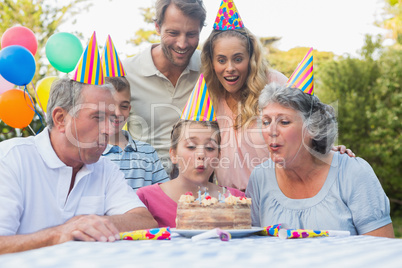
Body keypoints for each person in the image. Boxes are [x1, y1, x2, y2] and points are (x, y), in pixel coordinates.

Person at [201, 8, 354, 191]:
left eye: (238, 59)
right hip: (231, 202)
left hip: (277, 195)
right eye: (221, 60)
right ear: (212, 62)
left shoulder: (275, 84)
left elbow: (308, 128)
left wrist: (329, 152)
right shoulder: (209, 96)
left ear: (251, 58)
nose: (230, 68)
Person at [0, 78, 158, 254]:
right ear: (61, 119)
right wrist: (62, 233)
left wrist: (92, 223)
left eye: (111, 119)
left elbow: (145, 222)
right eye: (97, 117)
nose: (109, 130)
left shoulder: (105, 168)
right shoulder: (10, 159)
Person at [246, 83, 394, 237]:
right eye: (266, 122)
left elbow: (381, 249)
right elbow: (253, 246)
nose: (271, 131)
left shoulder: (352, 172)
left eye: (284, 122)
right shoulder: (259, 178)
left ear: (313, 128)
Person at [124, 0, 207, 174]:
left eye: (191, 34)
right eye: (173, 33)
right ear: (157, 26)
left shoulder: (210, 68)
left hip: (196, 190)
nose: (182, 44)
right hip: (143, 186)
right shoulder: (126, 72)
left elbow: (254, 74)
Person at [136, 120, 244, 228]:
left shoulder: (238, 199)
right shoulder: (146, 199)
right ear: (173, 154)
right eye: (191, 147)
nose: (201, 154)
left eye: (210, 148)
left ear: (218, 157)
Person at [102, 76, 169, 191]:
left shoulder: (147, 151)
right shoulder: (90, 153)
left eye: (123, 106)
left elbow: (164, 194)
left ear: (129, 109)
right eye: (111, 105)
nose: (118, 113)